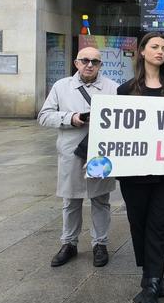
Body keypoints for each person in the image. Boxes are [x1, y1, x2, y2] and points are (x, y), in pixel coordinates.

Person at [117, 32, 164, 303]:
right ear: (143, 52)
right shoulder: (125, 90)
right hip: (132, 172)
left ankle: (151, 284)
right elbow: (117, 131)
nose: (160, 51)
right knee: (139, 223)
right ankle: (153, 274)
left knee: (158, 224)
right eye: (154, 47)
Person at [38, 47, 119, 268]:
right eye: (85, 60)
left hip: (100, 155)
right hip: (71, 152)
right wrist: (71, 118)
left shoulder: (113, 88)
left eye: (95, 61)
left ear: (101, 65)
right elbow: (44, 116)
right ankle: (69, 244)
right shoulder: (61, 86)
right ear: (76, 63)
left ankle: (100, 244)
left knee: (101, 199)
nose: (90, 65)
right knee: (70, 200)